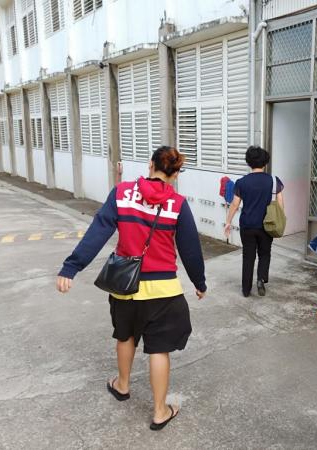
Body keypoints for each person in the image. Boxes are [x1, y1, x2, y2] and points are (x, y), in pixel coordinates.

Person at [56, 146, 207, 431]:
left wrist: (71, 267)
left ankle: (122, 385)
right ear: (175, 174)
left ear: (150, 165)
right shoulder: (177, 203)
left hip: (125, 285)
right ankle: (160, 411)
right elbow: (190, 248)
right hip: (164, 290)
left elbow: (98, 231)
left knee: (125, 336)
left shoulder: (122, 193)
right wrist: (199, 283)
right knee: (159, 349)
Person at [224, 146, 284, 297]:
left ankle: (246, 290)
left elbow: (235, 204)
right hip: (267, 225)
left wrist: (228, 222)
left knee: (248, 256)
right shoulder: (273, 180)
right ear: (265, 162)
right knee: (265, 253)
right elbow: (280, 202)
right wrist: (280, 219)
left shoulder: (241, 182)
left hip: (247, 225)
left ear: (248, 162)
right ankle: (261, 280)